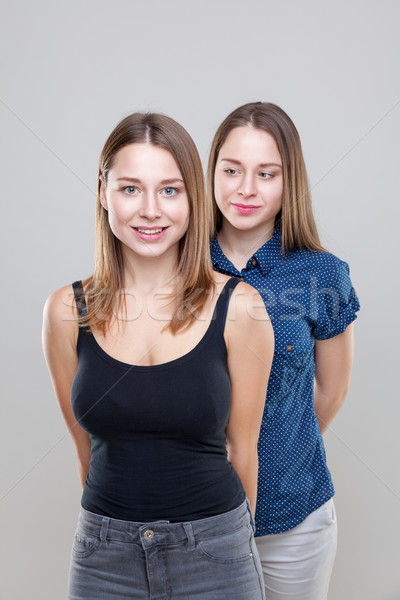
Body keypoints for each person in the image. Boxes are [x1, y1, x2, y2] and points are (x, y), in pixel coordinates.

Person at [42, 112, 274, 600]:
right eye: (130, 189)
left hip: (216, 555)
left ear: (192, 199)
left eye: (169, 190)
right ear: (103, 194)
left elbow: (245, 450)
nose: (150, 210)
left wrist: (232, 548)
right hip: (103, 560)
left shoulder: (242, 307)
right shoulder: (66, 310)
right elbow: (85, 448)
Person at [207, 102, 360, 600]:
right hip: (195, 520)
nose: (246, 189)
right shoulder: (176, 267)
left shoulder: (323, 275)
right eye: (231, 170)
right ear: (211, 173)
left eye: (266, 174)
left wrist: (282, 451)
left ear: (287, 181)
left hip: (295, 521)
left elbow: (331, 393)